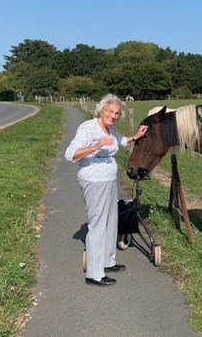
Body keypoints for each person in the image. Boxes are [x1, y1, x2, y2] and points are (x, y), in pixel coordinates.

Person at [65, 94, 148, 287]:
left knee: (111, 221)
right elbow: (71, 154)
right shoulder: (88, 127)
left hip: (109, 181)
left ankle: (107, 262)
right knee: (98, 224)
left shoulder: (110, 128)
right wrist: (95, 146)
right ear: (102, 110)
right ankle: (94, 274)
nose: (113, 115)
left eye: (117, 113)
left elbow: (117, 141)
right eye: (110, 111)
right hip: (93, 181)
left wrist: (136, 136)